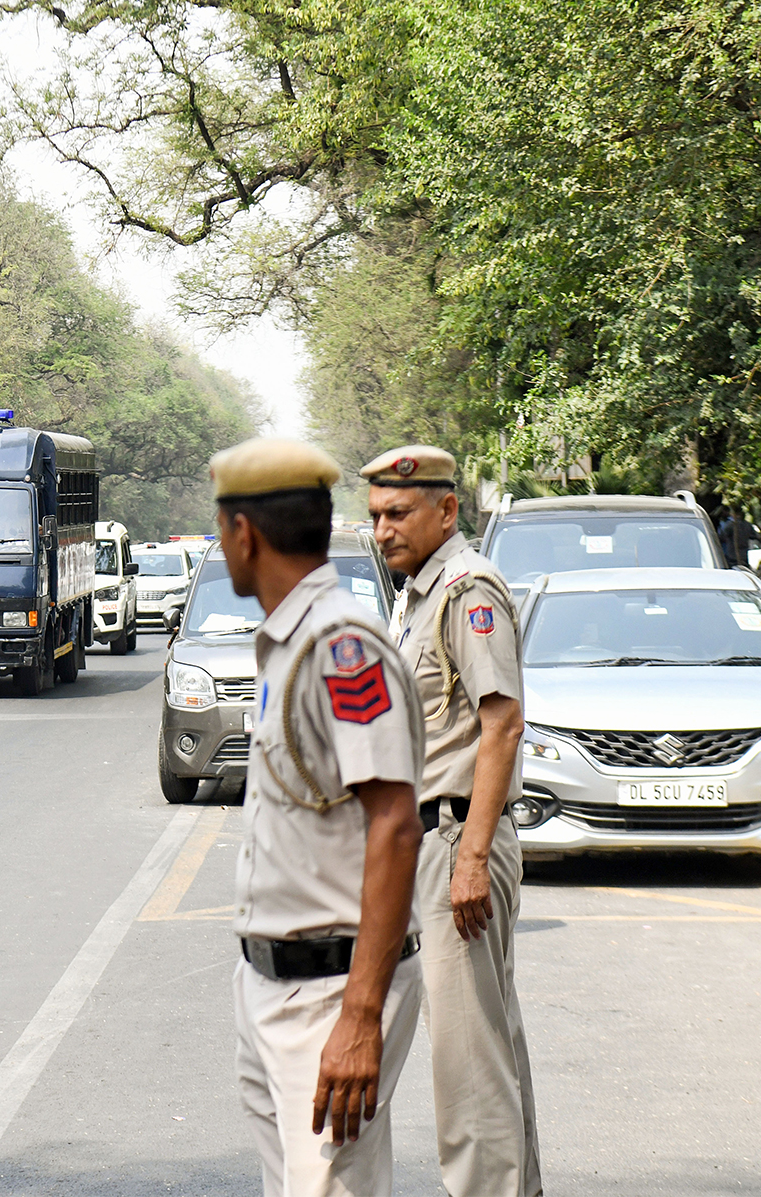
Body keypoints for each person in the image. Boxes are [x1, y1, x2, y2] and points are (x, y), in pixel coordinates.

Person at [213, 438, 427, 1197]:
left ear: (245, 534)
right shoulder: (291, 642)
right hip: (274, 986)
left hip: (332, 994)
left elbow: (397, 823)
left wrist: (361, 1016)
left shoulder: (343, 649)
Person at [363, 445, 542, 1197]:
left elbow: (501, 725)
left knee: (466, 1065)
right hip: (435, 839)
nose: (382, 530)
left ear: (446, 511)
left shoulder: (469, 591)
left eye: (398, 513)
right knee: (484, 1049)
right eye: (373, 516)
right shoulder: (418, 592)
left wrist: (470, 858)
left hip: (454, 839)